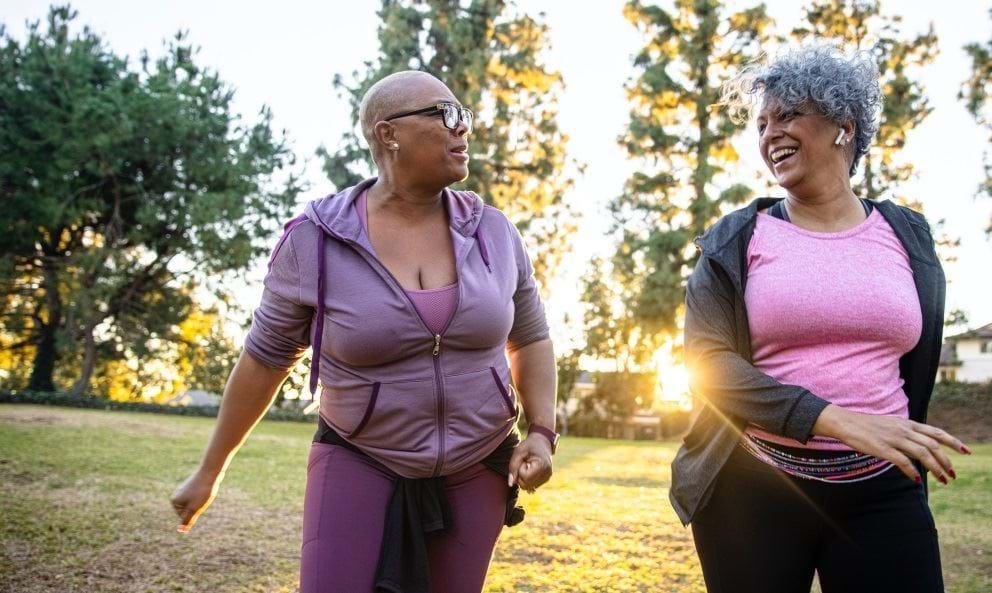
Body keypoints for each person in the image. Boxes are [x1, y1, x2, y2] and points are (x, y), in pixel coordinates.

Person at [170, 70, 559, 593]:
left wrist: (540, 431)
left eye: (463, 116)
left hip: (478, 460)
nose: (462, 129)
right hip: (360, 456)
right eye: (444, 115)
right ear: (387, 134)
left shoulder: (494, 232)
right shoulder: (314, 241)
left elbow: (530, 337)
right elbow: (265, 360)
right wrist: (210, 470)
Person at [669, 44, 970, 593]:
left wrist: (880, 427)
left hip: (884, 489)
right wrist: (838, 420)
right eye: (761, 124)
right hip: (754, 488)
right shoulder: (735, 239)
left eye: (787, 116)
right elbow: (708, 366)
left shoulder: (909, 236)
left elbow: (914, 355)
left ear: (843, 126)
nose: (769, 135)